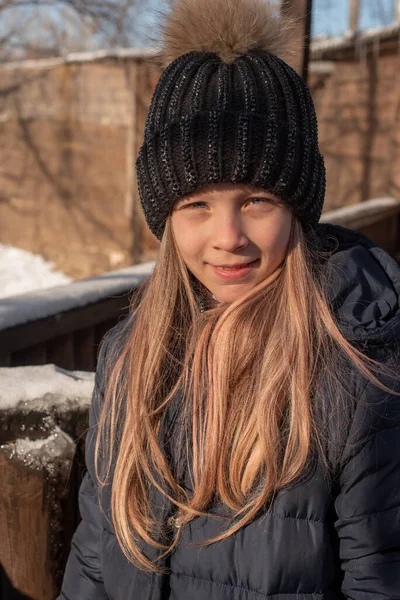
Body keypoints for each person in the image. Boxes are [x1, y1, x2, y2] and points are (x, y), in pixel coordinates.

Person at [58, 0, 400, 598]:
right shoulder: (128, 357)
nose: (228, 237)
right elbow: (92, 562)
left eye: (256, 201)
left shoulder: (357, 372)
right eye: (196, 205)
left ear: (298, 207)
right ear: (165, 220)